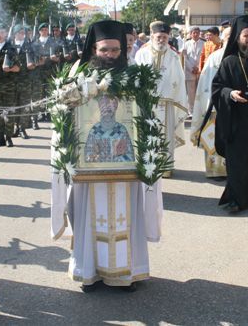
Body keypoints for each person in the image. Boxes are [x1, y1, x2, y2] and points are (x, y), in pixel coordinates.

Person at [51, 19, 163, 292]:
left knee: (128, 215)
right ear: (94, 48)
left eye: (115, 50)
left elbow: (149, 111)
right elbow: (61, 109)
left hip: (126, 169)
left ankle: (126, 274)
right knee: (89, 216)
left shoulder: (135, 71)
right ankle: (89, 271)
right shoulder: (79, 72)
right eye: (104, 50)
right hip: (89, 167)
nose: (111, 55)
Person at [211, 14, 248, 212]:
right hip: (236, 122)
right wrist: (230, 93)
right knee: (237, 165)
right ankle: (237, 200)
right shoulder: (229, 62)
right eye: (246, 35)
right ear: (237, 38)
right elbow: (217, 88)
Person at [135, 21, 188, 175]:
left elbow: (179, 79)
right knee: (147, 134)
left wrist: (178, 100)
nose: (162, 40)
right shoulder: (142, 53)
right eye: (159, 36)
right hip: (147, 103)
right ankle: (148, 165)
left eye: (165, 37)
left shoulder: (173, 56)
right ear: (152, 36)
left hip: (167, 104)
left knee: (166, 136)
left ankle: (165, 168)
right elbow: (137, 76)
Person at [190, 41, 227, 179]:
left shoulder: (239, 56)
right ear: (223, 40)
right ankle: (213, 170)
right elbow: (206, 80)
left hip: (234, 106)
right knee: (212, 137)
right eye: (227, 37)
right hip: (214, 106)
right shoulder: (214, 57)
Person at [84, 95, 135, 163]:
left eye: (110, 109)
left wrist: (116, 157)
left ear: (115, 108)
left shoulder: (121, 130)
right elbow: (87, 157)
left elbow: (130, 158)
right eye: (105, 108)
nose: (107, 111)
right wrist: (95, 154)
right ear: (100, 108)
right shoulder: (94, 131)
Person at [0, 23, 16, 147]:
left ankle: (9, 137)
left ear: (6, 34)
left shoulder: (11, 49)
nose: (0, 35)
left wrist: (10, 69)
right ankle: (0, 137)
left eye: (2, 32)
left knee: (9, 112)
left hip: (8, 85)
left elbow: (18, 67)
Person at [179, 26, 204, 116]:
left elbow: (203, 57)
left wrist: (198, 68)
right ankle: (191, 110)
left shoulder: (204, 43)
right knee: (191, 92)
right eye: (194, 33)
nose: (196, 34)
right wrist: (191, 68)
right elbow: (185, 58)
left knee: (200, 90)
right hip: (189, 72)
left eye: (197, 32)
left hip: (200, 71)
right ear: (191, 34)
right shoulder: (186, 44)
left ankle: (200, 109)